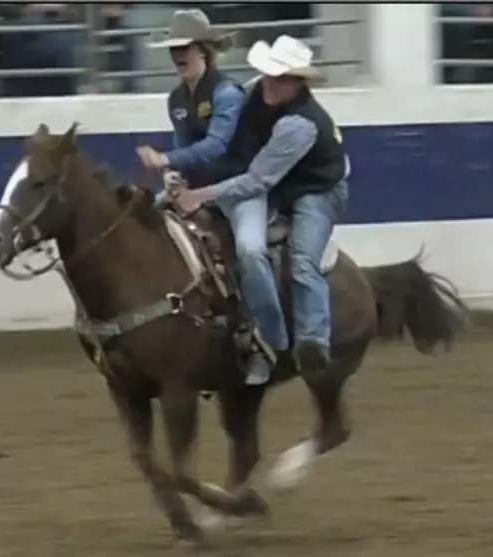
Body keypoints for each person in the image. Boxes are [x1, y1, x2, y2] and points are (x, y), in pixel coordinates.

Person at [171, 35, 349, 386]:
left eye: (281, 77)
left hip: (318, 189)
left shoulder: (299, 124)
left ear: (298, 83)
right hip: (278, 183)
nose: (271, 82)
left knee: (301, 258)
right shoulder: (251, 90)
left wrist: (200, 193)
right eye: (269, 73)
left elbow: (257, 180)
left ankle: (313, 339)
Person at [135, 9, 244, 196]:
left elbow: (217, 145)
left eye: (184, 48)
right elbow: (182, 145)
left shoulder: (226, 92)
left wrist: (165, 159)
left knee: (248, 227)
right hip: (197, 187)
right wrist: (172, 173)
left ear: (202, 51)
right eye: (173, 49)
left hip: (233, 186)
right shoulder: (176, 99)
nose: (177, 55)